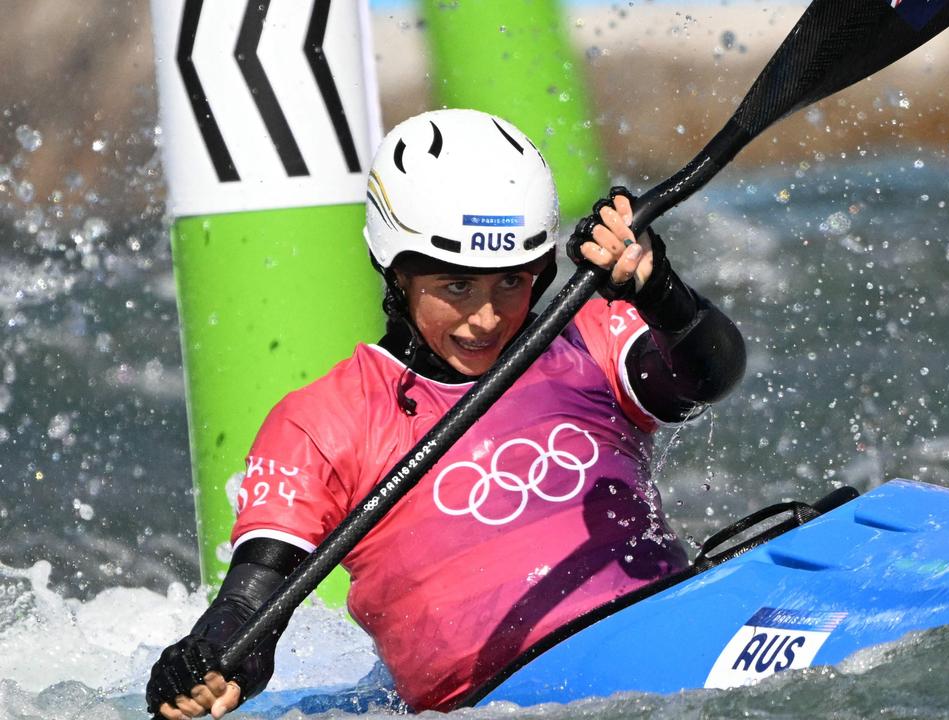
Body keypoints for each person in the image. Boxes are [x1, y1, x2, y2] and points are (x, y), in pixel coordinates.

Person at [146, 108, 746, 718]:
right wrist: (207, 662)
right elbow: (251, 607)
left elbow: (710, 375)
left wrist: (660, 290)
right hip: (496, 705)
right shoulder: (323, 423)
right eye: (457, 287)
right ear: (396, 271)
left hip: (675, 636)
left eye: (511, 282)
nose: (486, 317)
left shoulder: (587, 339)